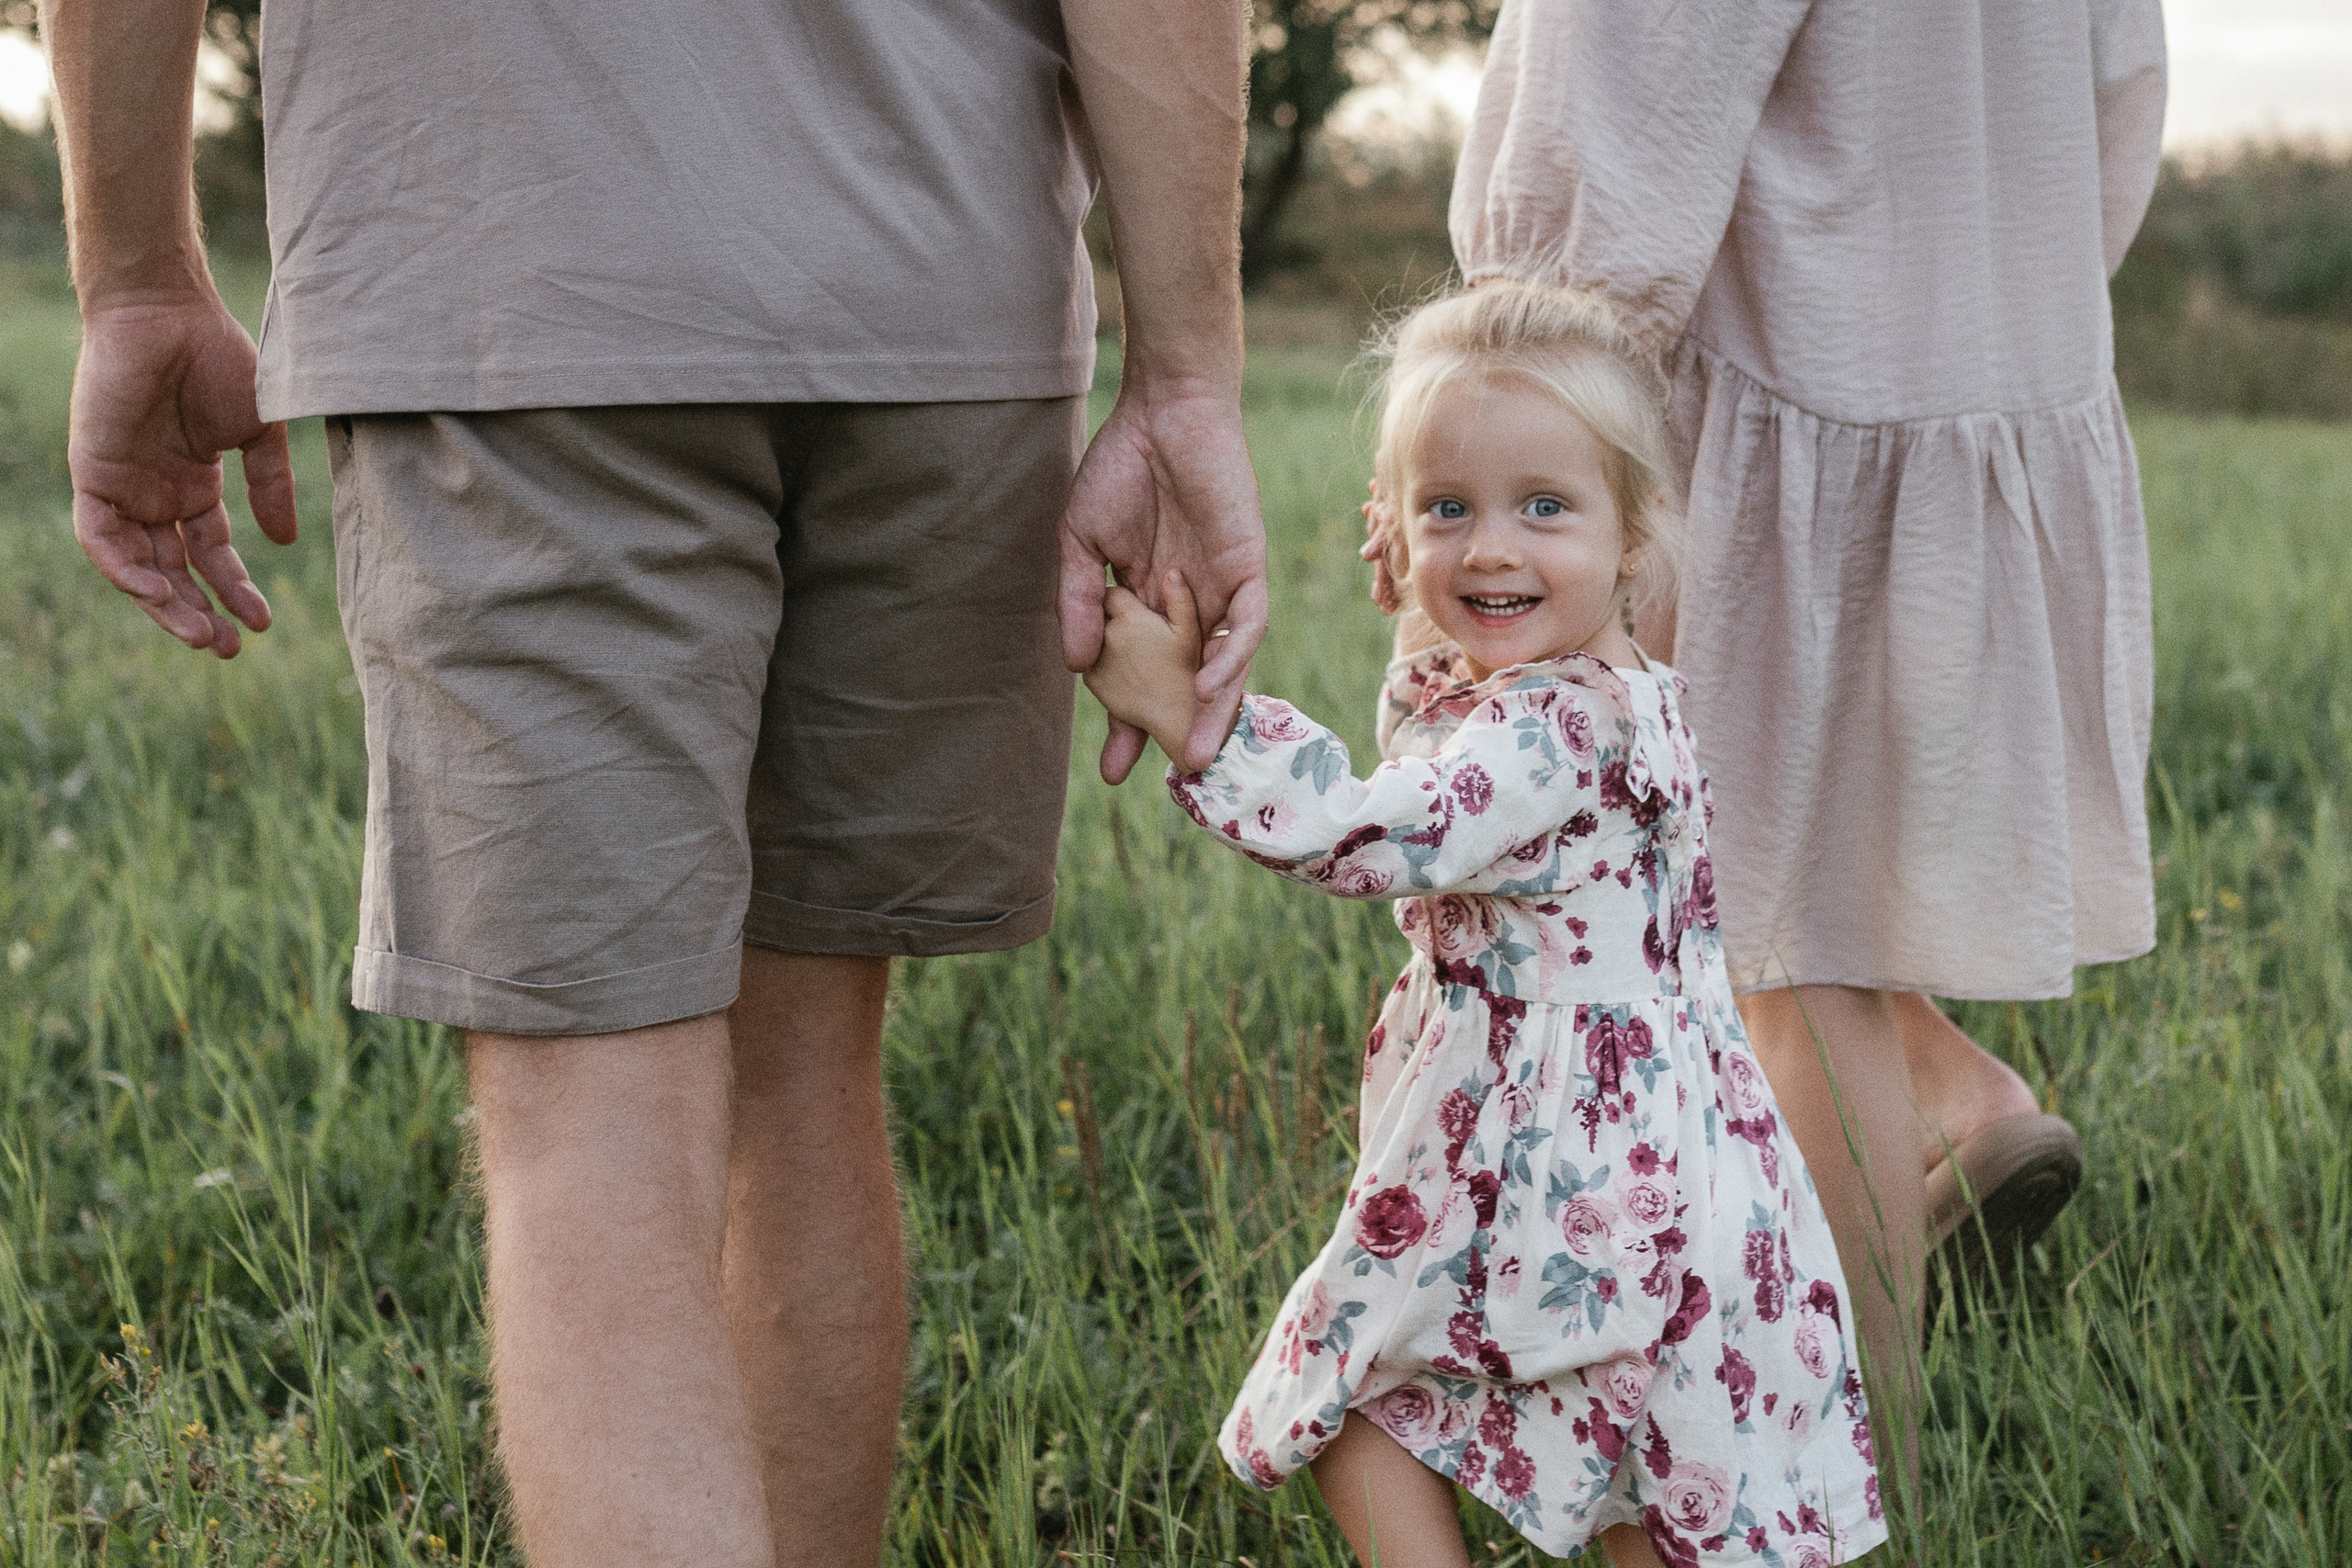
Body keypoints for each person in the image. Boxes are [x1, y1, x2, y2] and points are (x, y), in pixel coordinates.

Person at [40, 0, 1265, 1562]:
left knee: (591, 1108)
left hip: (513, 266)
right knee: (808, 1063)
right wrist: (1187, 373)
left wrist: (139, 273)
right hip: (939, 284)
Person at [1446, 0, 2168, 1483]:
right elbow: (2118, 90)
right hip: (1987, 374)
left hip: (1774, 384)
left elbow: (1623, 88)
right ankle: (1962, 1104)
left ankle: (1839, 1481)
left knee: (1779, 948)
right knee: (1822, 883)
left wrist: (1507, 412)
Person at [1086, 283, 1883, 1568]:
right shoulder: (1622, 693)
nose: (1493, 548)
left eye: (1544, 508)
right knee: (1650, 1474)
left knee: (1350, 1400)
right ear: (1394, 534)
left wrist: (1194, 717)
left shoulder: (1544, 734)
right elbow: (1455, 779)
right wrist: (1423, 618)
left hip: (1555, 1165)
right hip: (1671, 1162)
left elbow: (1377, 829)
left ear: (1635, 536)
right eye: (1446, 509)